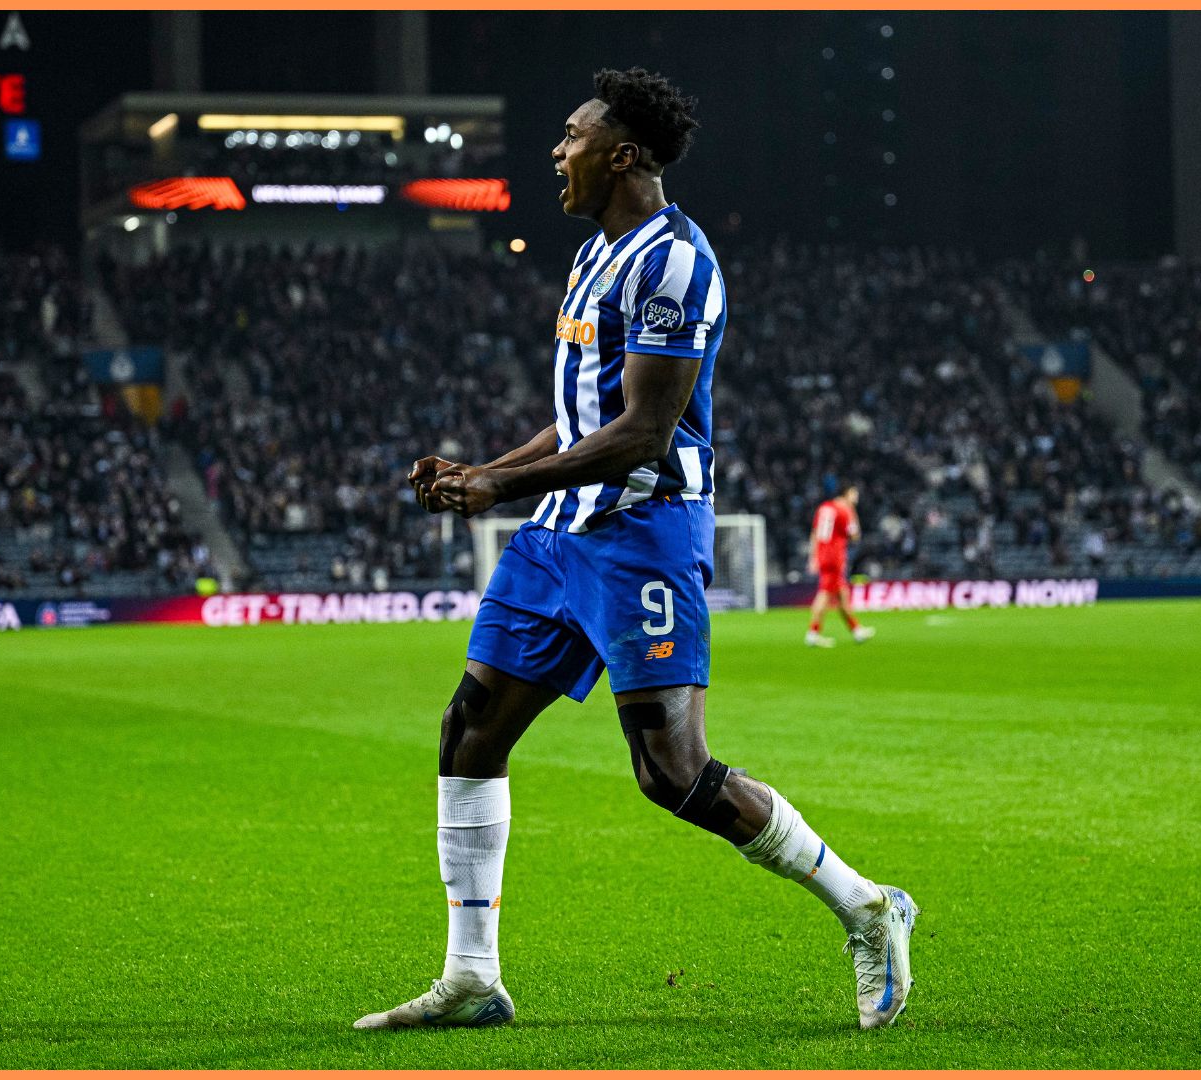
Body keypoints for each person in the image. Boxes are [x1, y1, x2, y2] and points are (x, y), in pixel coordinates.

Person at [357, 68, 916, 1034]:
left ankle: (868, 906)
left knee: (672, 772)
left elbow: (645, 431)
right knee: (470, 731)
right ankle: (472, 978)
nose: (555, 151)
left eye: (570, 136)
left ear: (623, 155)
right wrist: (481, 471)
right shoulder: (592, 256)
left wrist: (496, 489)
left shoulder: (675, 267)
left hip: (642, 536)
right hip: (558, 534)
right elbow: (578, 419)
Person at [805, 484, 875, 647]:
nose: (856, 497)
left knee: (842, 595)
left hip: (823, 554)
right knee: (824, 594)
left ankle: (856, 631)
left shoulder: (824, 508)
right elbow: (855, 535)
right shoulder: (844, 511)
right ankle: (813, 633)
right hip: (835, 557)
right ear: (847, 493)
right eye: (854, 493)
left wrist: (813, 557)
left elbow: (815, 533)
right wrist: (852, 512)